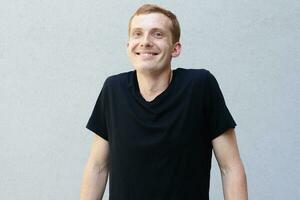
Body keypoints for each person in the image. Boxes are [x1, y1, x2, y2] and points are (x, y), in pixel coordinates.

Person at [80, 4, 248, 200]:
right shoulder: (113, 89)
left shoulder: (200, 86)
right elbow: (97, 167)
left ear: (175, 49)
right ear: (128, 47)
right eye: (137, 34)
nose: (145, 42)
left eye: (157, 34)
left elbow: (230, 168)